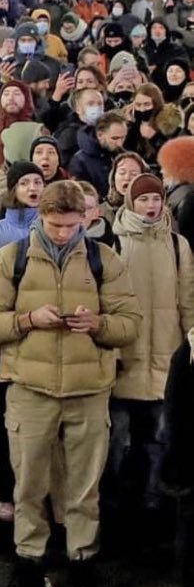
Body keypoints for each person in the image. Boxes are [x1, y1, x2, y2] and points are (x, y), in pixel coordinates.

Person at [0, 180, 142, 587]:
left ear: (85, 218)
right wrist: (28, 319)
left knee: (83, 489)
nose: (64, 233)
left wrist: (99, 323)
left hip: (89, 391)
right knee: (28, 483)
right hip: (30, 388)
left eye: (71, 225)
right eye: (55, 225)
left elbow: (130, 324)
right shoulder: (12, 260)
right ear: (39, 219)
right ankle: (28, 563)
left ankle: (82, 562)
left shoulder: (105, 261)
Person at [105, 173, 194, 551]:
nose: (151, 206)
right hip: (125, 359)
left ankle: (152, 516)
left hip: (165, 360)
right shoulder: (114, 243)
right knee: (118, 443)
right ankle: (113, 517)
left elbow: (188, 300)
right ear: (130, 202)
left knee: (158, 442)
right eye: (143, 200)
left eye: (156, 199)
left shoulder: (178, 244)